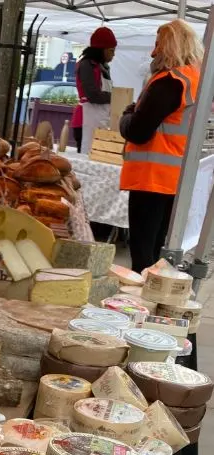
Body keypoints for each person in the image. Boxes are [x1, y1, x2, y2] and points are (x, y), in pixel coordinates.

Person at [120, 19, 203, 273]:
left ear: (171, 47)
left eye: (158, 45)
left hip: (151, 177)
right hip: (175, 177)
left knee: (143, 253)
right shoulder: (196, 79)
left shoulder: (169, 81)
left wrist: (126, 116)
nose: (153, 52)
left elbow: (138, 131)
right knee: (159, 250)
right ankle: (155, 299)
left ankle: (139, 304)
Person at [75, 26, 117, 155]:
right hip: (86, 119)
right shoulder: (87, 65)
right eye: (111, 51)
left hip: (100, 118)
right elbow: (92, 95)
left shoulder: (103, 67)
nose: (113, 55)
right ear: (101, 50)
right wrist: (116, 97)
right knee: (87, 156)